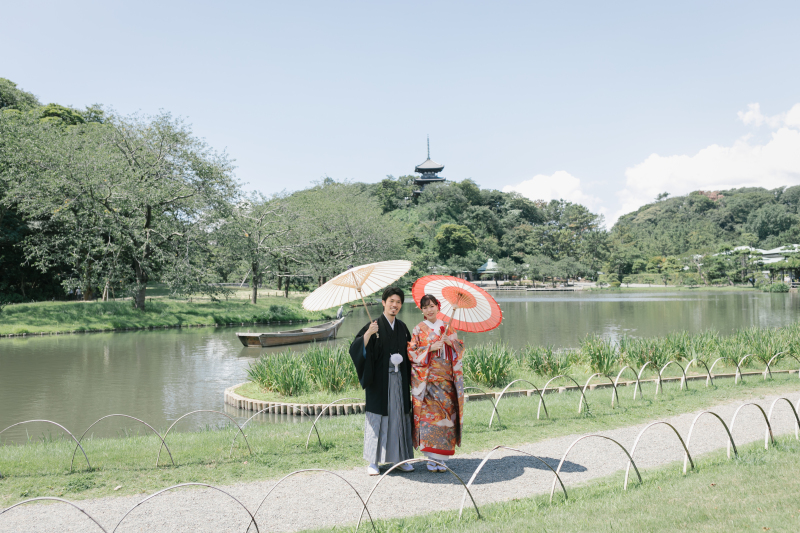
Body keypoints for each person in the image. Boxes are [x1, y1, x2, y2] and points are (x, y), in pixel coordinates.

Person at [349, 287, 415, 475]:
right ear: (384, 302)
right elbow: (355, 349)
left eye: (398, 302)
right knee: (378, 418)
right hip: (379, 381)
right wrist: (368, 334)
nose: (395, 305)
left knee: (399, 417)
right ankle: (373, 462)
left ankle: (400, 459)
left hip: (399, 379)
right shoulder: (373, 325)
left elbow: (411, 351)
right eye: (391, 301)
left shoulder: (402, 327)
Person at [406, 294, 465, 472]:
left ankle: (442, 459)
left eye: (432, 306)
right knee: (429, 421)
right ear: (422, 310)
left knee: (446, 420)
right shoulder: (418, 329)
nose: (429, 310)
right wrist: (430, 348)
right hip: (428, 383)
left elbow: (460, 351)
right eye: (425, 307)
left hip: (446, 383)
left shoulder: (448, 327)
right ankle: (432, 459)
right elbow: (412, 352)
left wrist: (451, 343)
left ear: (438, 307)